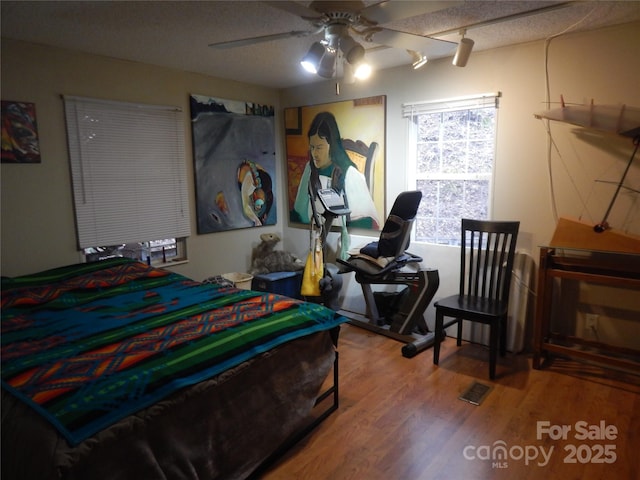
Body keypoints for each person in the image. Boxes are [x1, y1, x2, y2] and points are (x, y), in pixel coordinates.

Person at [291, 111, 380, 229]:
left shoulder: (350, 174)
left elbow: (367, 221)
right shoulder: (310, 168)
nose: (314, 154)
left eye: (319, 148)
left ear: (332, 145)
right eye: (312, 147)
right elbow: (299, 213)